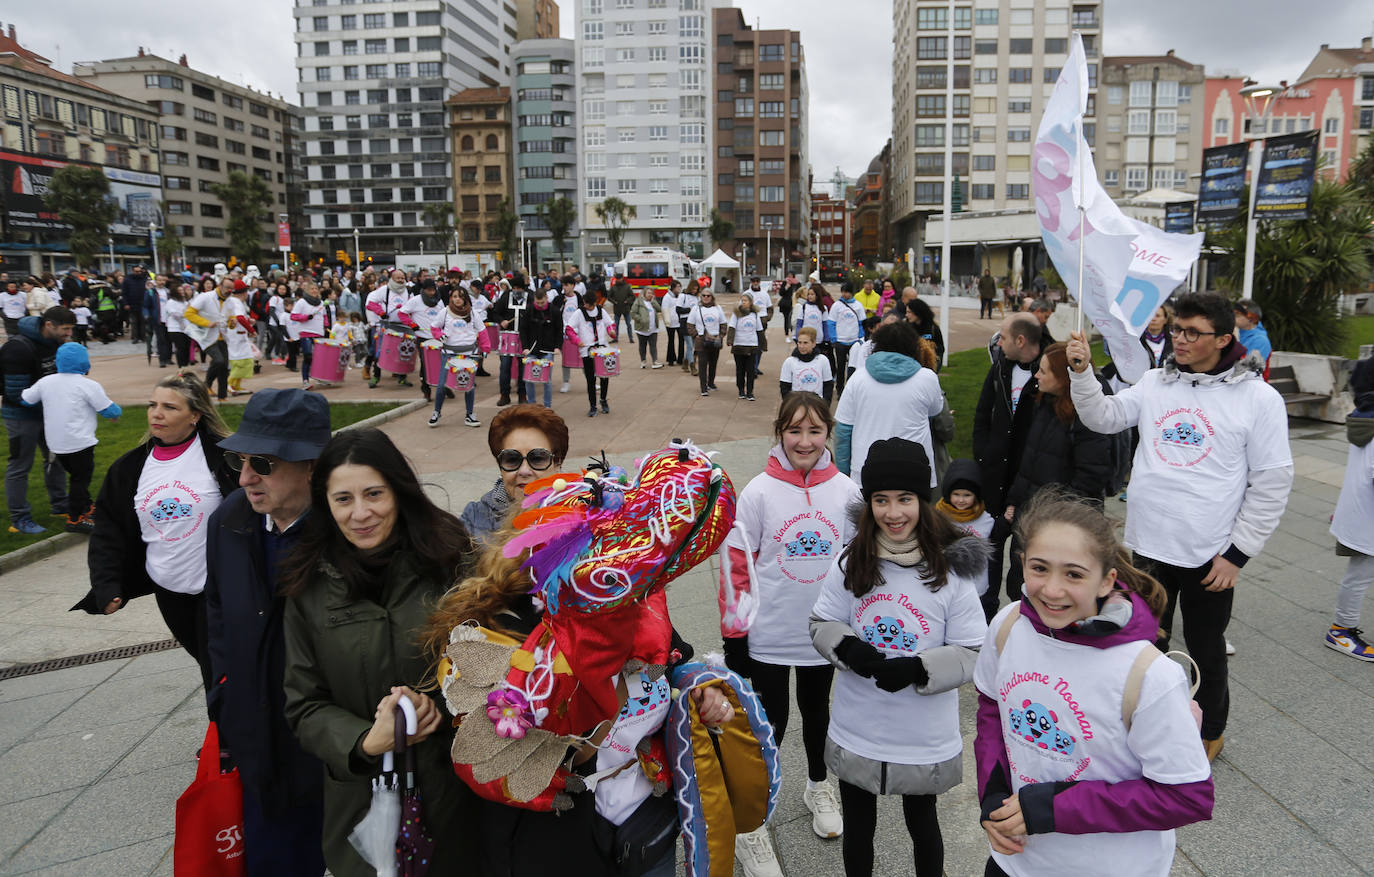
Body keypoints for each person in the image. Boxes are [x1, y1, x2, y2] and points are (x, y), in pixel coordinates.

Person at [1065, 291, 1294, 761]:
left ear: (1225, 338)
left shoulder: (1257, 398)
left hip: (1211, 553)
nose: (1180, 340)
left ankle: (1208, 731)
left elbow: (1272, 482)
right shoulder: (1155, 383)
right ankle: (1150, 722)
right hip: (1149, 545)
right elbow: (1102, 417)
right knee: (1146, 643)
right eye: (1176, 330)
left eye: (1193, 332)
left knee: (1206, 649)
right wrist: (1083, 373)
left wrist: (1238, 554)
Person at [973, 492, 1214, 877]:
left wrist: (1053, 807)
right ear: (1021, 564)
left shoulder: (1149, 674)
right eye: (1039, 568)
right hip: (1015, 862)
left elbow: (1188, 797)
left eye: (1073, 574)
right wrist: (993, 794)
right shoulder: (1007, 625)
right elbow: (991, 709)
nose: (1052, 590)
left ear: (1106, 581)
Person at [280, 429, 478, 877]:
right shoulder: (308, 586)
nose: (360, 513)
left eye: (374, 494)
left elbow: (501, 669)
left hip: (458, 799)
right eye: (343, 499)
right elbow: (303, 704)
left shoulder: (453, 560)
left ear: (398, 491)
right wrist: (364, 740)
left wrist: (439, 709)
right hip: (362, 804)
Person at [810, 438, 987, 877]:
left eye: (905, 499)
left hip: (920, 731)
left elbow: (973, 651)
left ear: (923, 502)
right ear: (868, 504)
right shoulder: (851, 561)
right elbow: (821, 621)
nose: (893, 513)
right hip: (860, 724)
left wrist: (919, 667)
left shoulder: (951, 572)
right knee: (858, 828)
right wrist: (849, 647)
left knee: (923, 824)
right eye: (881, 500)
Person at [724, 394, 861, 866]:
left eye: (815, 431)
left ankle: (818, 787)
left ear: (829, 434)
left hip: (823, 634)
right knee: (770, 726)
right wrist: (735, 637)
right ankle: (753, 822)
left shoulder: (846, 490)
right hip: (768, 636)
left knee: (819, 715)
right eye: (795, 431)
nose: (804, 441)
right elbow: (736, 567)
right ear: (780, 432)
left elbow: (857, 564)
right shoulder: (759, 491)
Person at [204, 389, 330, 876]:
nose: (245, 477)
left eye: (263, 462)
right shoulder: (230, 520)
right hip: (256, 739)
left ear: (311, 466)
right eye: (241, 459)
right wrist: (224, 695)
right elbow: (216, 614)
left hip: (326, 749)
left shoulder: (347, 532)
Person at [77, 371, 239, 691]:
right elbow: (108, 529)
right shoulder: (129, 468)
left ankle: (228, 737)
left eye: (170, 407)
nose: (156, 413)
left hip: (220, 589)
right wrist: (107, 583)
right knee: (208, 664)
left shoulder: (225, 457)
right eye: (153, 405)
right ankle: (228, 732)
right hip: (169, 589)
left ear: (195, 415)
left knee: (220, 669)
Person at [1001, 342, 1117, 601]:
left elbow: (1090, 479)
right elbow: (1030, 461)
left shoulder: (1087, 418)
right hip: (1031, 517)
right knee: (1021, 587)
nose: (1036, 376)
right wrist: (1015, 501)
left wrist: (1058, 522)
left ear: (1063, 378)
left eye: (1043, 371)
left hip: (1061, 526)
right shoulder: (1044, 403)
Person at [974, 312, 1044, 618]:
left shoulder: (1049, 373)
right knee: (988, 556)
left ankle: (1020, 618)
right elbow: (982, 416)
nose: (998, 343)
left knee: (1022, 561)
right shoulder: (1001, 368)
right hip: (994, 480)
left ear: (1021, 340)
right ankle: (985, 620)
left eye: (1002, 337)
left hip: (1029, 487)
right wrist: (983, 458)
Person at [19, 343, 121, 532]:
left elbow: (26, 399)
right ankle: (75, 519)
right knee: (80, 479)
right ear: (84, 362)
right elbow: (108, 409)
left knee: (76, 477)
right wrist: (116, 413)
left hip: (56, 444)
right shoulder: (88, 385)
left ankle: (86, 506)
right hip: (80, 443)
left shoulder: (46, 382)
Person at [835, 322, 945, 495]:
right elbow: (934, 412)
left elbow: (843, 431)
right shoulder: (927, 378)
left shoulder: (857, 379)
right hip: (915, 470)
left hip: (865, 471)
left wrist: (842, 474)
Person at [2, 306, 74, 534]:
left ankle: (60, 504)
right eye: (65, 329)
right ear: (49, 325)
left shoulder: (55, 343)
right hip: (21, 417)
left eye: (71, 329)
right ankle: (19, 518)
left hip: (48, 414)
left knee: (56, 459)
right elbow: (16, 393)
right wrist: (53, 402)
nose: (69, 334)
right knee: (20, 466)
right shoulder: (17, 349)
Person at [461, 404, 569, 544]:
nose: (524, 471)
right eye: (512, 459)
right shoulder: (475, 519)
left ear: (557, 462)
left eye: (537, 458)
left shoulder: (588, 515)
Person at [1326, 356, 1374, 661]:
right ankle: (1341, 630)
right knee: (1359, 575)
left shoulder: (1365, 418)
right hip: (1367, 521)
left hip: (1359, 514)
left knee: (1360, 573)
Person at [934, 460, 998, 601]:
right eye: (956, 494)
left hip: (976, 585)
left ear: (976, 495)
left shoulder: (986, 519)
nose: (961, 500)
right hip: (946, 582)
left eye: (967, 495)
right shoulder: (938, 516)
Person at [429, 287, 483, 428]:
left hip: (470, 354)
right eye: (454, 296)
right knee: (441, 386)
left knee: (468, 385)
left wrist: (486, 347)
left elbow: (482, 331)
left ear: (465, 298)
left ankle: (470, 414)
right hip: (449, 354)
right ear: (451, 298)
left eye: (460, 296)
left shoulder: (472, 312)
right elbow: (434, 327)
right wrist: (439, 335)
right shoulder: (445, 312)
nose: (457, 299)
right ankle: (436, 412)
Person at [567, 291, 614, 417]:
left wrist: (611, 331)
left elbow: (610, 324)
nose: (587, 307)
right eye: (586, 304)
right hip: (587, 351)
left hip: (602, 349)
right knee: (590, 379)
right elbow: (569, 329)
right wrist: (577, 341)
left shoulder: (600, 311)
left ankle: (603, 400)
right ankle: (592, 405)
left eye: (590, 305)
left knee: (604, 377)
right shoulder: (579, 313)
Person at [185, 278, 231, 400]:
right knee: (219, 361)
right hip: (207, 337)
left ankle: (222, 397)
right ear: (220, 285)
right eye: (227, 287)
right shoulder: (205, 297)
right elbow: (189, 313)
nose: (229, 291)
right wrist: (206, 323)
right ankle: (206, 384)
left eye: (232, 289)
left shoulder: (229, 300)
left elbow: (231, 316)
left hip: (223, 337)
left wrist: (233, 321)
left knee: (224, 367)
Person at [490, 274, 531, 406]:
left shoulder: (530, 297)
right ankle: (504, 395)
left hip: (524, 337)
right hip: (507, 336)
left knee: (523, 368)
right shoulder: (506, 296)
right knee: (505, 366)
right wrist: (501, 321)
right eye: (514, 287)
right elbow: (495, 312)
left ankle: (522, 395)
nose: (516, 290)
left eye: (519, 288)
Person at [519, 286, 563, 408]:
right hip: (532, 349)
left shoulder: (554, 311)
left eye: (542, 302)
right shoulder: (529, 310)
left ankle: (547, 406)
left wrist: (557, 347)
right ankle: (532, 404)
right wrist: (525, 346)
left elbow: (559, 330)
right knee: (529, 379)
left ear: (546, 298)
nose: (540, 305)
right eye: (537, 303)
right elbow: (523, 329)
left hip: (548, 349)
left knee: (546, 380)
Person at [827, 283, 866, 396]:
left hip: (854, 341)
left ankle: (852, 390)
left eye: (847, 292)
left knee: (853, 367)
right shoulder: (836, 306)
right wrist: (834, 339)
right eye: (843, 292)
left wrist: (861, 338)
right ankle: (840, 390)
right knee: (840, 367)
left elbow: (862, 323)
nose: (845, 294)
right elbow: (831, 323)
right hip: (840, 341)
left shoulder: (858, 305)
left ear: (851, 292)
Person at [686, 287, 726, 397]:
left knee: (713, 363)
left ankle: (711, 383)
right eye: (704, 295)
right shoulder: (696, 308)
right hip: (701, 341)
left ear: (712, 297)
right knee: (702, 365)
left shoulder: (718, 308)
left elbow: (723, 324)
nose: (706, 297)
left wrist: (721, 336)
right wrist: (696, 336)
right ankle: (703, 387)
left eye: (708, 295)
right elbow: (690, 325)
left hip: (715, 340)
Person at [289, 282, 328, 390]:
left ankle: (319, 377)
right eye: (312, 289)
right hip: (306, 332)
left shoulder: (321, 303)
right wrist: (305, 317)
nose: (314, 290)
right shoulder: (302, 302)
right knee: (307, 355)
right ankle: (305, 381)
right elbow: (293, 316)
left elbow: (324, 316)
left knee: (319, 357)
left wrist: (325, 326)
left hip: (318, 333)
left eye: (316, 288)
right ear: (307, 290)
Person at [779, 327, 834, 402]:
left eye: (805, 343)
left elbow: (828, 385)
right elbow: (785, 388)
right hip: (796, 405)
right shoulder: (789, 362)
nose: (801, 346)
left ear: (814, 343)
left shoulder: (823, 360)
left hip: (817, 404)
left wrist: (825, 405)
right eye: (799, 342)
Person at [727, 294, 765, 401]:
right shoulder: (736, 314)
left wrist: (763, 344)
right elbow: (732, 327)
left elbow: (759, 330)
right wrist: (730, 340)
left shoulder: (755, 315)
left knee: (750, 370)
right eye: (742, 300)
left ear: (751, 302)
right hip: (739, 345)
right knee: (740, 370)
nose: (743, 302)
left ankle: (750, 392)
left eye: (746, 300)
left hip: (752, 345)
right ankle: (741, 390)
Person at [222, 283, 256, 397]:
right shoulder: (236, 302)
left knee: (243, 361)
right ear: (244, 292)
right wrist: (251, 330)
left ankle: (236, 385)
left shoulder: (234, 302)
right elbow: (240, 318)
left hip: (237, 335)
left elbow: (240, 317)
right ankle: (229, 384)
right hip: (237, 337)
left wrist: (248, 321)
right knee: (241, 362)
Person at [1232, 299, 1271, 371]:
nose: (1233, 317)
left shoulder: (1260, 340)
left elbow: (1248, 370)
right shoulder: (1236, 334)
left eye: (1237, 314)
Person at [630, 285, 664, 369]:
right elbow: (633, 313)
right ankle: (643, 360)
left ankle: (655, 361)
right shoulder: (639, 301)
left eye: (651, 293)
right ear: (644, 293)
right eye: (648, 293)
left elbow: (659, 309)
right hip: (642, 328)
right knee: (642, 346)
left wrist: (653, 302)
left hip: (653, 328)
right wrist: (641, 319)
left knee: (653, 345)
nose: (650, 294)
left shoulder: (653, 301)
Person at [676, 279, 700, 375]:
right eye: (693, 289)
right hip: (685, 321)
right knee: (690, 345)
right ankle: (692, 366)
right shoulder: (683, 296)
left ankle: (685, 362)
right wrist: (689, 310)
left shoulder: (697, 298)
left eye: (696, 289)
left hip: (694, 322)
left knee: (692, 346)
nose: (694, 291)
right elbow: (678, 309)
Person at [607, 271, 635, 340]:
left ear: (622, 278)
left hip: (626, 308)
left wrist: (627, 301)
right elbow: (609, 297)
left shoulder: (627, 286)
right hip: (617, 308)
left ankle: (631, 338)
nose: (618, 280)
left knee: (628, 324)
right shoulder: (613, 287)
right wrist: (614, 302)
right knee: (616, 325)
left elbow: (632, 296)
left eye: (619, 278)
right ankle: (615, 338)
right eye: (617, 279)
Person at [660, 280, 681, 367]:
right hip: (670, 322)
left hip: (679, 321)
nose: (679, 289)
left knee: (682, 340)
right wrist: (667, 321)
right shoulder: (667, 297)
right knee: (671, 340)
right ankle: (671, 359)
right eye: (677, 287)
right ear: (673, 288)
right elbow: (664, 309)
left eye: (680, 287)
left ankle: (681, 358)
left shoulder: (680, 296)